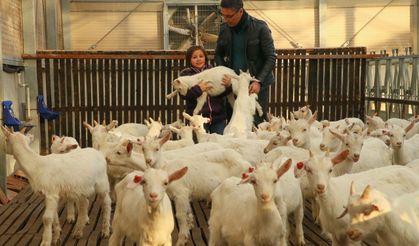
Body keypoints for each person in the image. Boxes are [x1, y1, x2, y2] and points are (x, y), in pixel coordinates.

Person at [215, 0, 276, 126]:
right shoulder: (224, 29)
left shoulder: (260, 27)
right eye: (223, 15)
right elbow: (218, 54)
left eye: (229, 16)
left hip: (255, 85)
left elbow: (271, 57)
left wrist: (258, 81)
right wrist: (225, 74)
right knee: (233, 125)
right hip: (233, 84)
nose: (225, 19)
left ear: (241, 11)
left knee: (255, 124)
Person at [180, 45, 232, 134]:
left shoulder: (213, 71)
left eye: (201, 56)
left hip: (217, 117)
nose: (198, 59)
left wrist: (228, 86)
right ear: (189, 59)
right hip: (198, 119)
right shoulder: (186, 74)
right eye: (194, 57)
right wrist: (199, 89)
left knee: (218, 145)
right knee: (199, 146)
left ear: (205, 58)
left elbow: (221, 93)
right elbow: (184, 95)